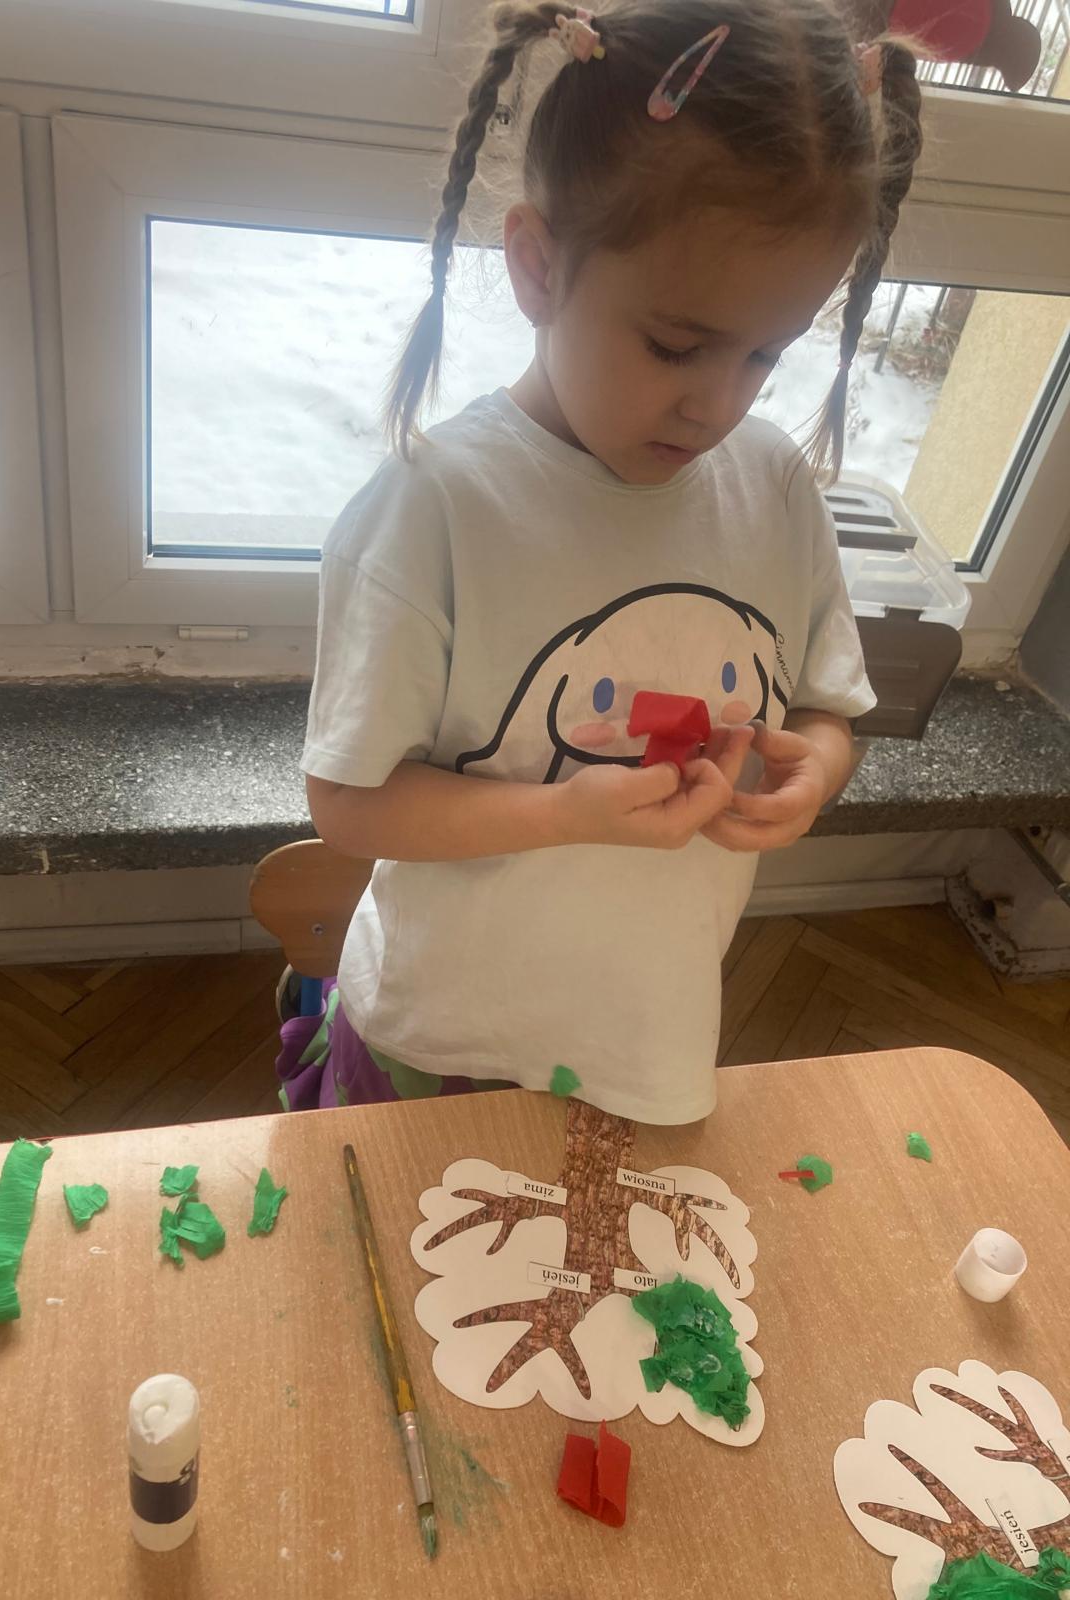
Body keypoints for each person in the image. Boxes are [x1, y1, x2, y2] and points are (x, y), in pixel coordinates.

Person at [280, 0, 923, 1122]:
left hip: (644, 1034)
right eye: (675, 346)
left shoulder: (774, 489)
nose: (717, 405)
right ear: (537, 266)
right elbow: (347, 801)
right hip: (441, 1036)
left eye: (764, 356)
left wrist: (814, 773)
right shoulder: (435, 511)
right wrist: (565, 813)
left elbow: (827, 709)